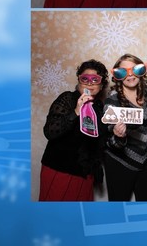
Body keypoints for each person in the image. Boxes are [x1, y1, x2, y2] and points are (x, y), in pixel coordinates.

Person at [39, 59, 109, 200]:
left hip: (85, 175)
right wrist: (76, 111)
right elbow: (50, 132)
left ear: (101, 86)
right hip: (60, 171)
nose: (89, 83)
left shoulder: (100, 108)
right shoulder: (68, 98)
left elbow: (100, 143)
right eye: (85, 78)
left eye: (95, 79)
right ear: (79, 81)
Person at [102, 54, 147, 201]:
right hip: (120, 163)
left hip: (146, 160)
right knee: (118, 208)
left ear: (142, 71)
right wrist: (118, 136)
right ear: (117, 76)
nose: (130, 75)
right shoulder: (112, 100)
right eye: (123, 71)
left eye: (135, 69)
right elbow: (109, 141)